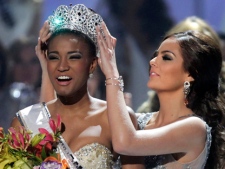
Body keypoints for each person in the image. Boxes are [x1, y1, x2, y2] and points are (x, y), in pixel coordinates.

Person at [11, 4, 143, 169]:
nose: (62, 66)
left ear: (92, 64)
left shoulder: (114, 119)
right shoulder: (24, 122)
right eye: (54, 57)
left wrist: (112, 74)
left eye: (73, 57)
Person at [97, 22, 225, 168]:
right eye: (155, 55)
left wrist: (112, 74)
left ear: (191, 74)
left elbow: (125, 143)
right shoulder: (139, 120)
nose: (152, 61)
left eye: (166, 58)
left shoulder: (194, 128)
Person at [137, 16, 224, 114]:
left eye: (167, 57)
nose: (153, 61)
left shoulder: (195, 123)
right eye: (157, 55)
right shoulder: (149, 109)